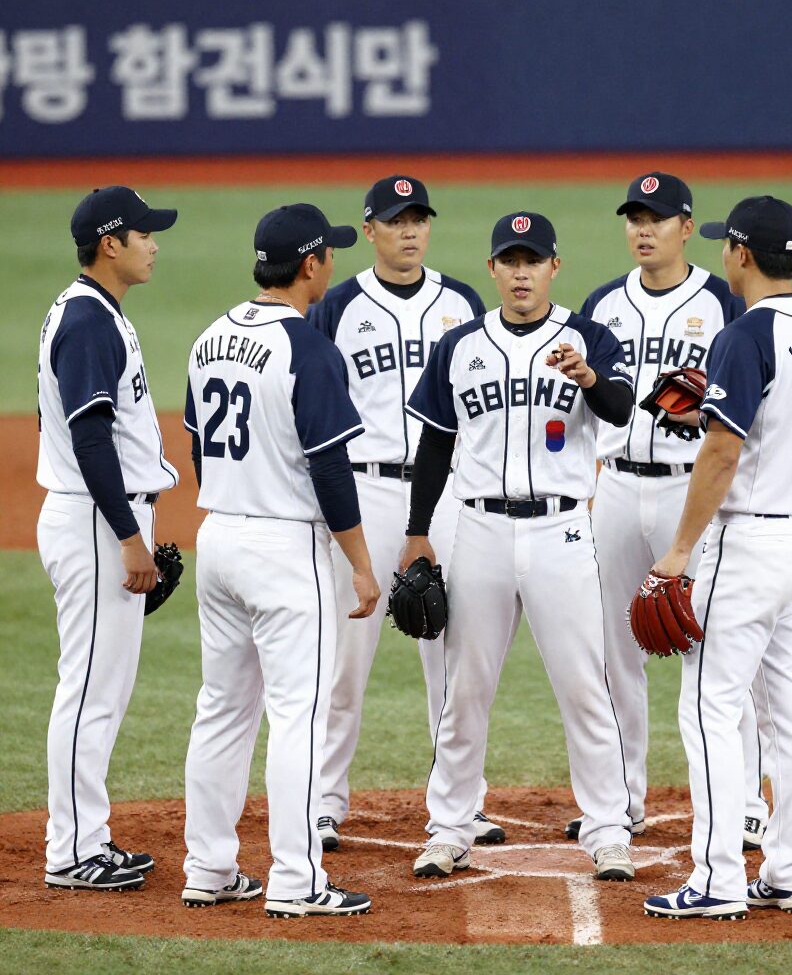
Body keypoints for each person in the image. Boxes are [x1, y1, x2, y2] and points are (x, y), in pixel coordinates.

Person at [400, 212, 637, 881]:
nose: (522, 271)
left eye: (534, 260)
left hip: (561, 531)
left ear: (554, 268)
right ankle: (449, 826)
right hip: (478, 530)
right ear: (494, 270)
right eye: (511, 259)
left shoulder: (589, 338)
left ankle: (608, 830)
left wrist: (589, 377)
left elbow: (621, 408)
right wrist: (419, 532)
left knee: (585, 685)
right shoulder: (460, 346)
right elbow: (436, 443)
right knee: (463, 688)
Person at [644, 196, 792, 920]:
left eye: (730, 244)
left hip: (750, 542)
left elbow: (725, 452)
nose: (724, 252)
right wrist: (706, 407)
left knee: (709, 708)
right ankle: (791, 873)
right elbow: (766, 419)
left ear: (745, 255)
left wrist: (678, 550)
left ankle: (718, 878)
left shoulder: (744, 332)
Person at [181, 204, 379, 918]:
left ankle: (207, 866)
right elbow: (331, 472)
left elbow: (200, 444)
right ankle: (298, 880)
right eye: (329, 253)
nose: (334, 262)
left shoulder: (210, 338)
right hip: (283, 548)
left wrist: (237, 497)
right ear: (309, 265)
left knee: (223, 709)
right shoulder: (309, 349)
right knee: (299, 715)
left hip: (221, 537)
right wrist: (360, 563)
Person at [570, 171, 769, 851]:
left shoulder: (723, 301)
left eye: (656, 217)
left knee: (715, 643)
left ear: (688, 227)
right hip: (617, 488)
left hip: (695, 491)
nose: (642, 229)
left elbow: (756, 392)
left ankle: (743, 802)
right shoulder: (600, 305)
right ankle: (621, 801)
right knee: (612, 648)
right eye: (633, 217)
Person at [306, 175, 501, 850]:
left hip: (446, 494)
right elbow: (314, 407)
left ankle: (460, 803)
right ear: (370, 230)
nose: (410, 230)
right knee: (344, 656)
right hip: (364, 492)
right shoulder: (335, 307)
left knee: (455, 654)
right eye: (396, 220)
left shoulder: (463, 301)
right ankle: (324, 800)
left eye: (419, 218)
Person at [37, 186, 179, 892]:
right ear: (110, 243)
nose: (156, 243)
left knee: (101, 689)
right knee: (89, 690)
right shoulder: (89, 320)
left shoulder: (92, 311)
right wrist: (128, 536)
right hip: (98, 519)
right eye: (145, 233)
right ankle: (69, 851)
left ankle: (88, 837)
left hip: (100, 516)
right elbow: (90, 436)